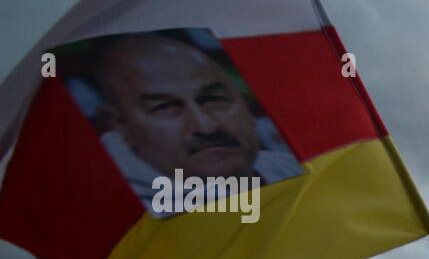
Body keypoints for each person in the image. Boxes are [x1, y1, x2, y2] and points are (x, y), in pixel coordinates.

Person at [90, 34, 300, 210]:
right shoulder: (114, 216)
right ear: (120, 125)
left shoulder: (286, 166)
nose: (207, 126)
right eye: (165, 107)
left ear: (247, 107)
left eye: (214, 99)